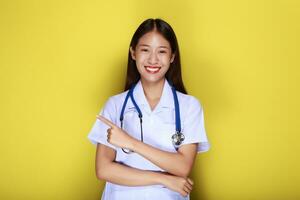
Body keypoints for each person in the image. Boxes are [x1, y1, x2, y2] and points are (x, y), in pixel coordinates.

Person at [87, 18, 210, 200]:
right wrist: (163, 179)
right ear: (133, 53)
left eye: (162, 51)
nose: (153, 59)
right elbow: (103, 170)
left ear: (172, 56)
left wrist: (130, 143)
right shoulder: (115, 104)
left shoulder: (189, 106)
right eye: (145, 50)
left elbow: (182, 166)